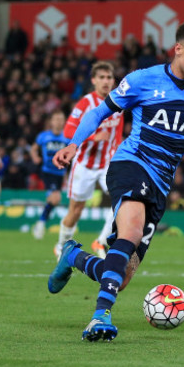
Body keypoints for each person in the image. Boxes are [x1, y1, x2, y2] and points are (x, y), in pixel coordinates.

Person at [50, 20, 184, 342]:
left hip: (161, 184)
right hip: (131, 164)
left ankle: (73, 256)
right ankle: (100, 316)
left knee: (121, 276)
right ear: (178, 49)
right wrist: (73, 144)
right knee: (131, 231)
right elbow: (100, 112)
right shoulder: (143, 80)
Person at [53, 61, 124, 260]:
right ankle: (60, 245)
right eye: (101, 77)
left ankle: (100, 241)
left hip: (107, 164)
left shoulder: (119, 101)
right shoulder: (85, 103)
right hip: (84, 165)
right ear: (93, 81)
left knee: (123, 201)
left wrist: (117, 149)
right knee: (76, 210)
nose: (106, 81)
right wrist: (93, 137)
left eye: (109, 77)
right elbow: (68, 131)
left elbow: (118, 129)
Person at [30, 110, 70, 239]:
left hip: (60, 173)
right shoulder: (43, 136)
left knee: (53, 200)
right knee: (56, 198)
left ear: (64, 121)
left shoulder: (68, 137)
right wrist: (35, 157)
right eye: (56, 119)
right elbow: (33, 148)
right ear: (51, 122)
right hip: (47, 172)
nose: (58, 122)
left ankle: (40, 222)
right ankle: (41, 224)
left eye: (61, 119)